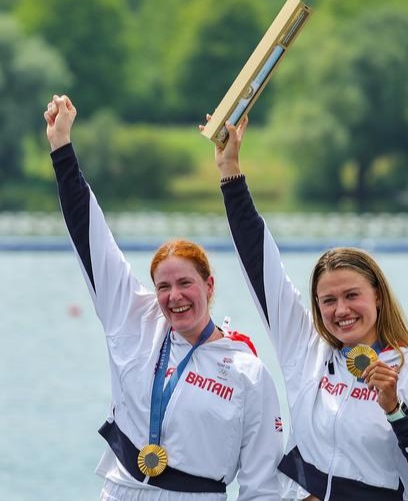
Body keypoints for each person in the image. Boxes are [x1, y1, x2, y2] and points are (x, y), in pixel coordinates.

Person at [206, 117, 408, 501]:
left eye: (351, 295)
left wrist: (397, 411)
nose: (340, 310)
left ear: (377, 295)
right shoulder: (306, 349)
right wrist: (230, 171)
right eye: (328, 300)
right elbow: (261, 263)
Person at [44, 94, 284, 501]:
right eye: (163, 287)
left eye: (186, 284)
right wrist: (62, 147)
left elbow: (263, 484)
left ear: (209, 287)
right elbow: (92, 239)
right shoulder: (134, 320)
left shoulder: (246, 370)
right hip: (121, 489)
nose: (175, 297)